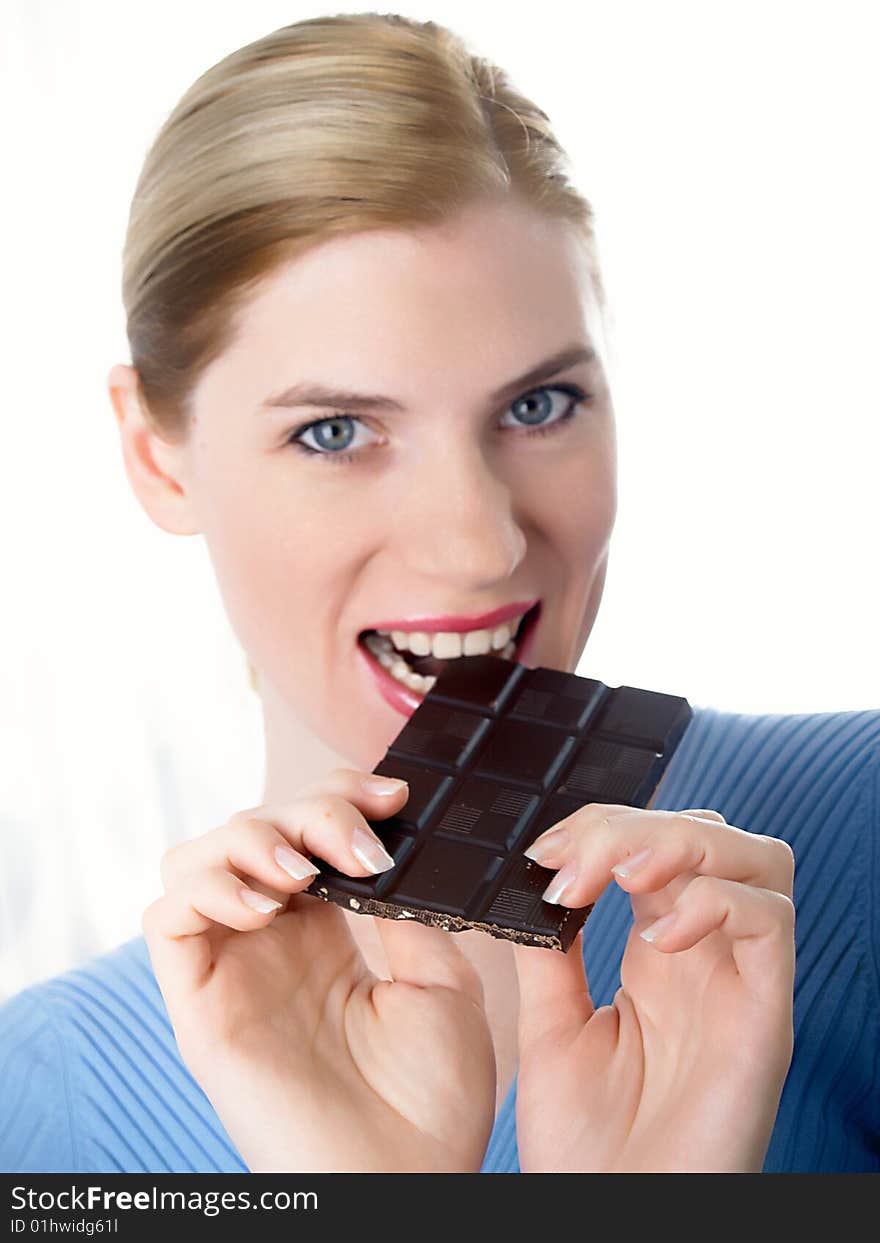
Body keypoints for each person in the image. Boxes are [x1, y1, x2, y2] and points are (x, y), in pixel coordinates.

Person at [0, 12, 876, 1175]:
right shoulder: (47, 1100)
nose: (479, 544)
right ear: (159, 456)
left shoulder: (856, 837)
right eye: (335, 429)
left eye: (537, 406)